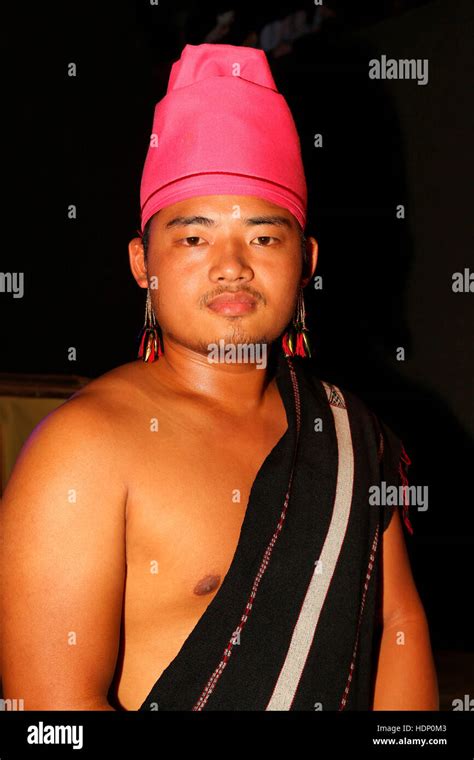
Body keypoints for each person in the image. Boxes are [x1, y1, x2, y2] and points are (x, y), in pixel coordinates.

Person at [0, 43, 438, 711]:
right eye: (194, 237)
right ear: (142, 260)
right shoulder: (83, 449)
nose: (233, 265)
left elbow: (397, 626)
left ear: (307, 257)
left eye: (264, 236)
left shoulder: (352, 432)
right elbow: (51, 715)